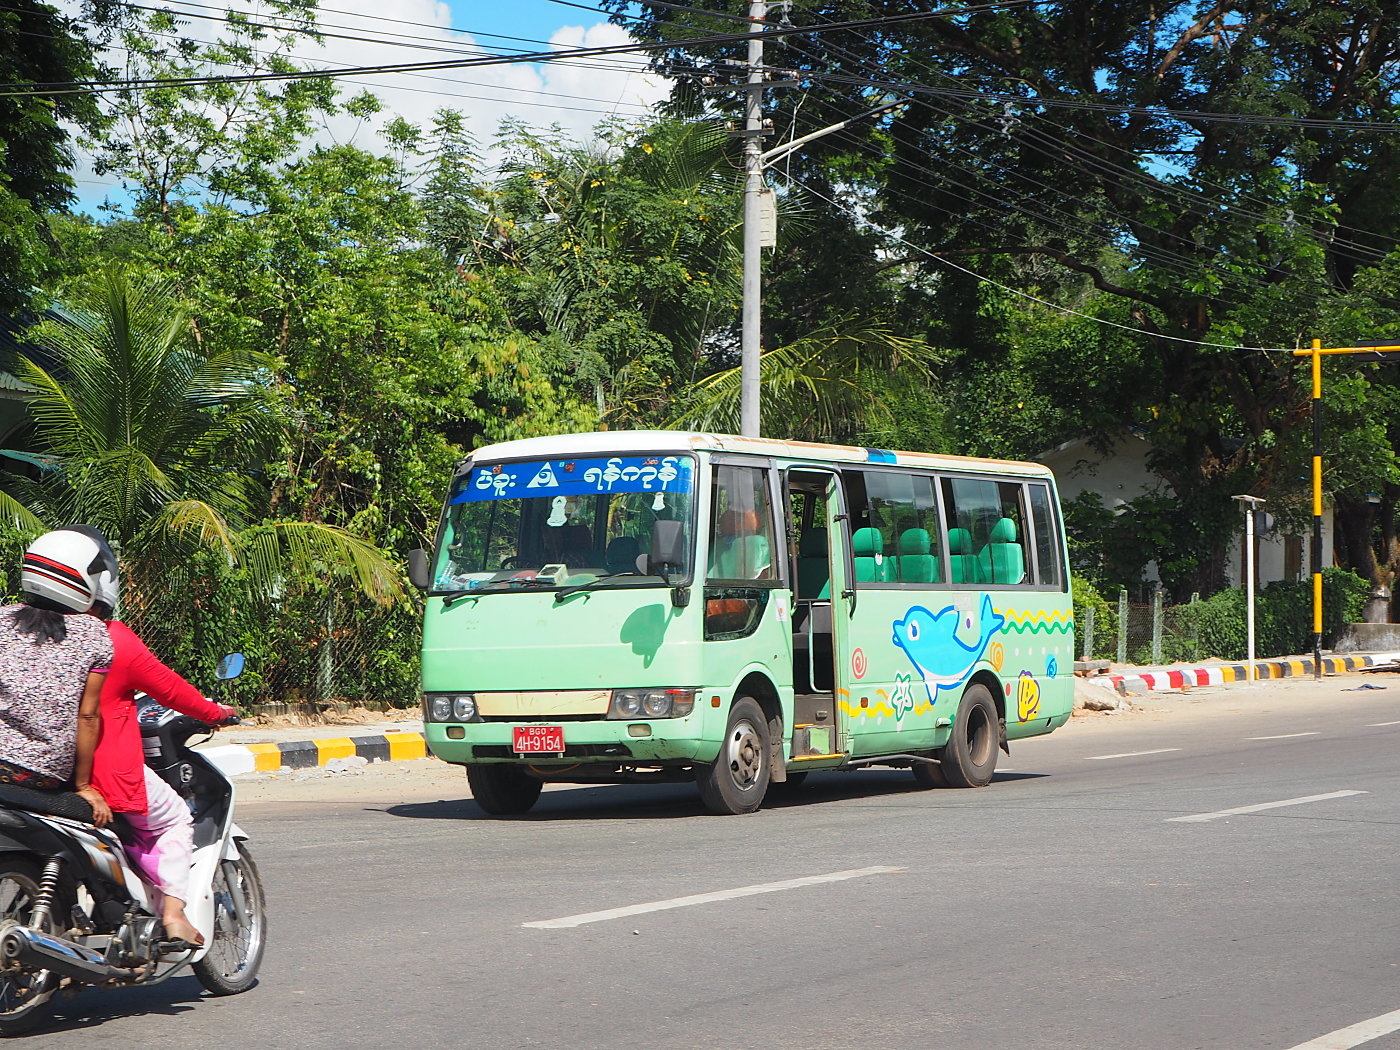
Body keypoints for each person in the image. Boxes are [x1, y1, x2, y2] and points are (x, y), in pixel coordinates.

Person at [65, 526, 236, 948]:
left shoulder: (25, 631)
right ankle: (175, 914)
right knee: (177, 816)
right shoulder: (111, 639)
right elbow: (171, 688)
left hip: (38, 769)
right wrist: (217, 713)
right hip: (103, 776)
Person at [0, 529, 116, 827]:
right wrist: (83, 786)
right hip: (43, 775)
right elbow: (88, 716)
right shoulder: (94, 635)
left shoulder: (2, 618)